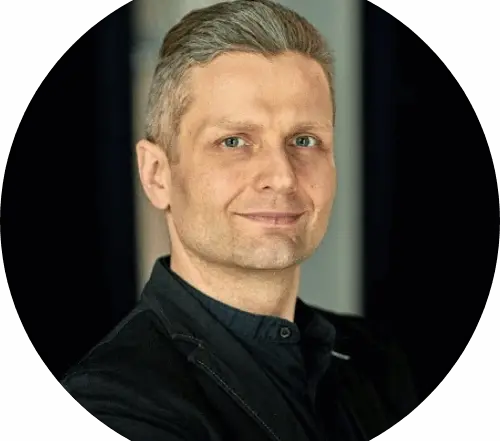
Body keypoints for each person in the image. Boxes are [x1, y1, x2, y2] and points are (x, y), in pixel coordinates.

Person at [61, 1, 419, 440]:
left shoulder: (378, 361)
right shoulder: (116, 401)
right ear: (157, 174)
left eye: (304, 140)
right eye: (234, 141)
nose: (282, 177)